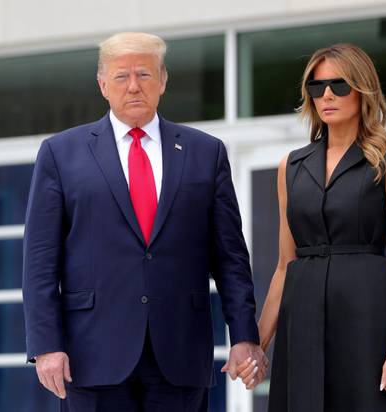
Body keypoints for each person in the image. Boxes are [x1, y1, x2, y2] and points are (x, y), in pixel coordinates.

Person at [22, 32, 268, 411]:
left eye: (144, 75)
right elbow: (40, 261)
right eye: (122, 76)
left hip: (180, 352)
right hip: (92, 356)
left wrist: (244, 336)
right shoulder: (60, 154)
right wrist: (46, 345)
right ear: (103, 84)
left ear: (163, 81)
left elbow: (230, 257)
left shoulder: (205, 153)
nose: (134, 86)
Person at [237, 43, 386, 411]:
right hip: (303, 317)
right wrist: (257, 343)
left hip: (367, 314)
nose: (326, 95)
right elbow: (283, 266)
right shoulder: (290, 167)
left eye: (339, 86)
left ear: (362, 89)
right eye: (316, 86)